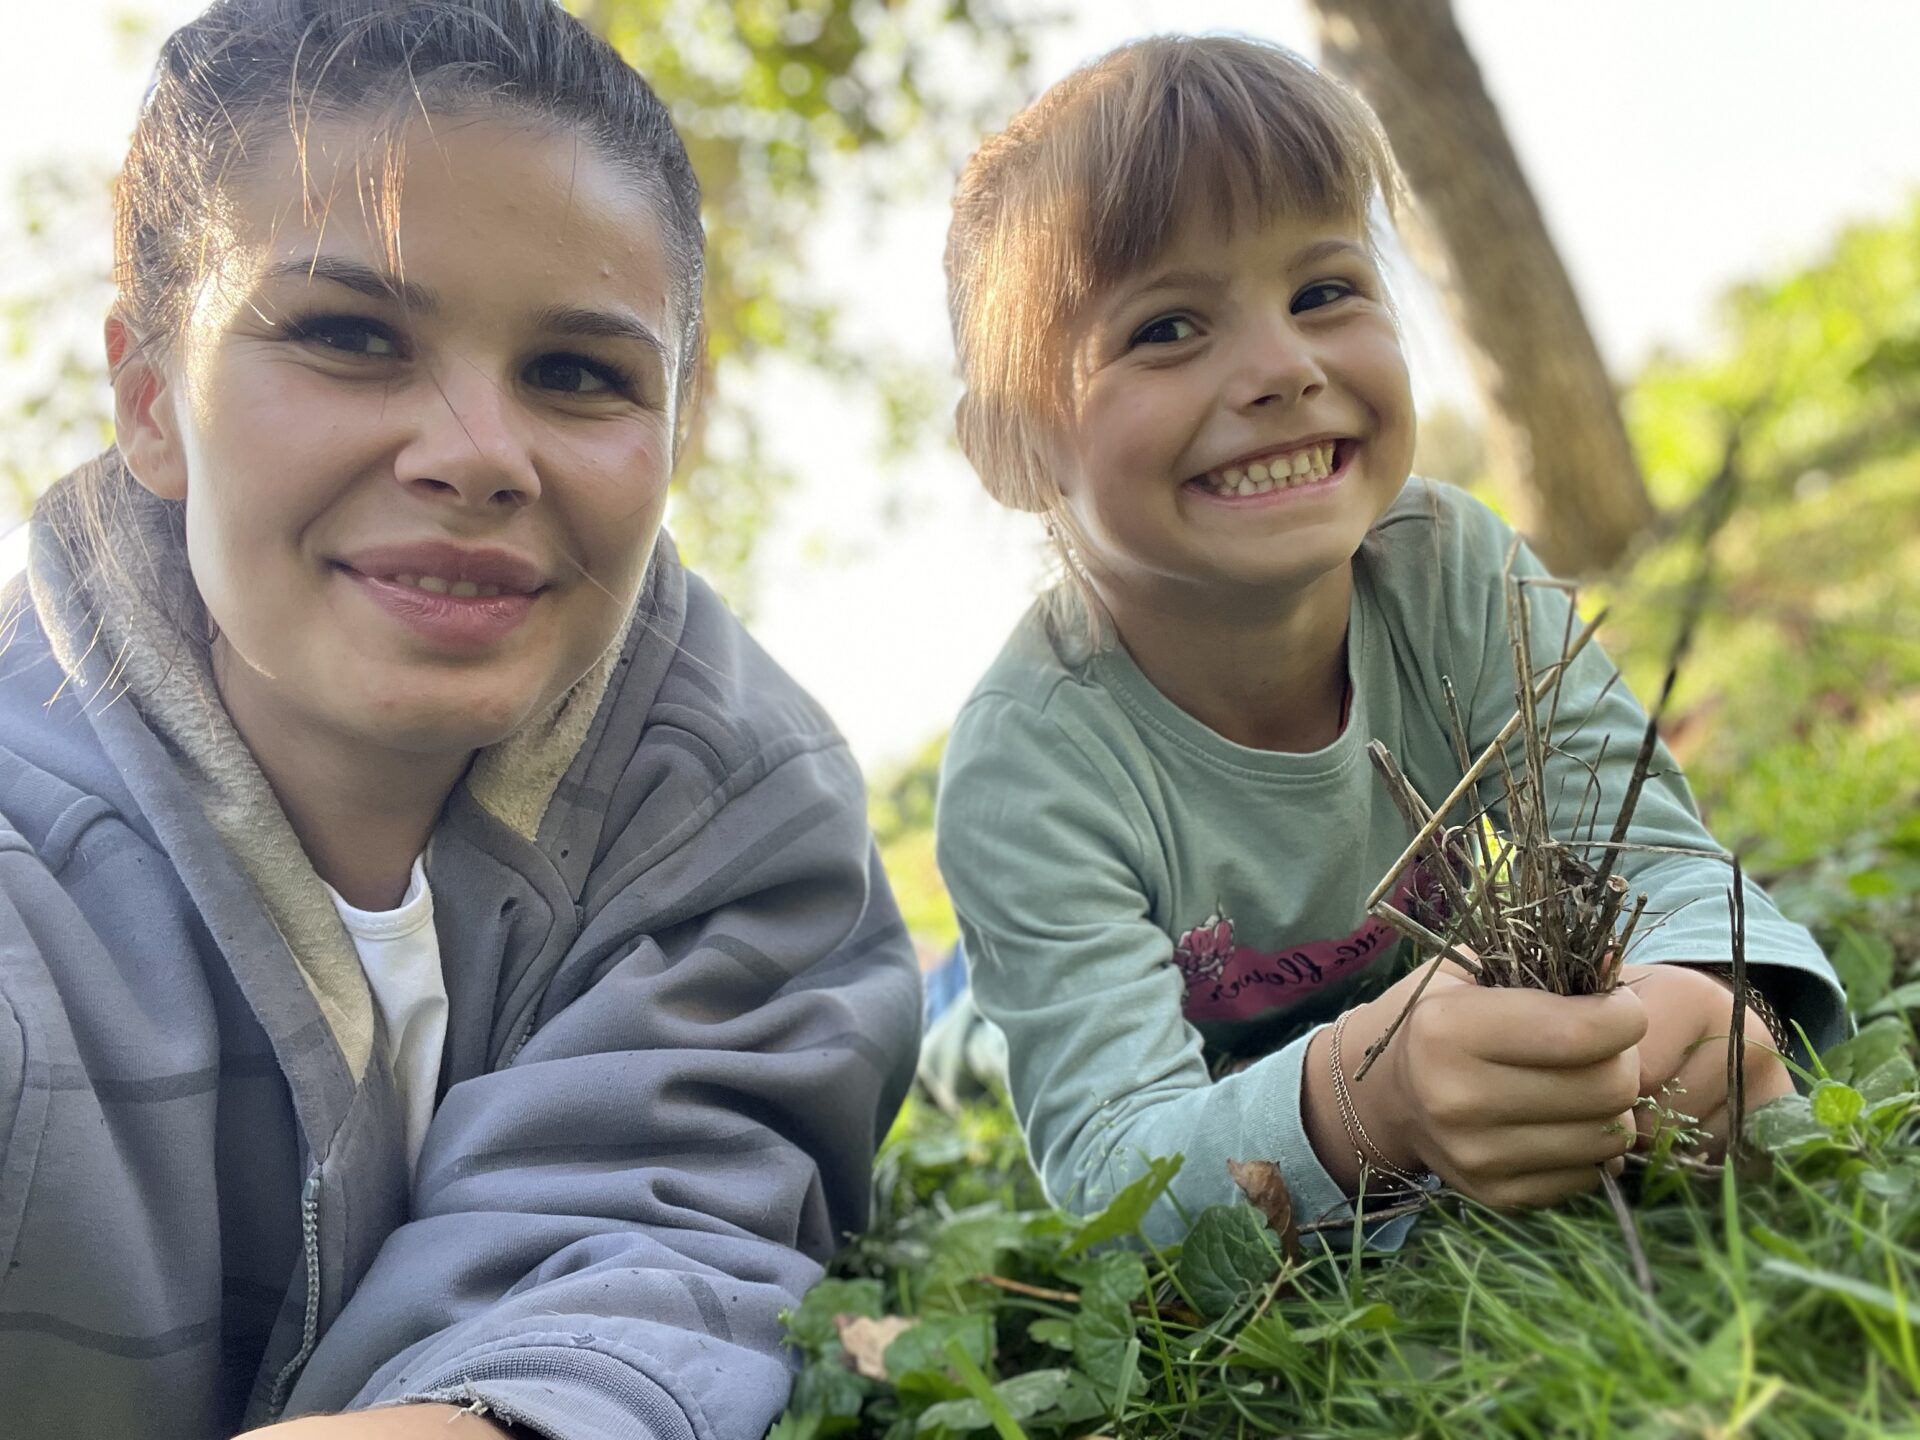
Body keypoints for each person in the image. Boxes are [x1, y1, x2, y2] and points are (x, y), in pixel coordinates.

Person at [0, 2, 920, 1435]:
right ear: (149, 398)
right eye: (350, 335)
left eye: (577, 374)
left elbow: (649, 1253)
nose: (479, 455)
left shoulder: (736, 800)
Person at [932, 35, 1844, 1248]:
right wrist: (1369, 1103)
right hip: (1043, 994)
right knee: (968, 1035)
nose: (1283, 368)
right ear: (1012, 449)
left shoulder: (1450, 568)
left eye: (1323, 292)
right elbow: (1113, 1165)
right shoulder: (1027, 773)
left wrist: (1699, 999)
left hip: (1398, 990)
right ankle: (947, 998)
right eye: (1164, 329)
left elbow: (1660, 861)